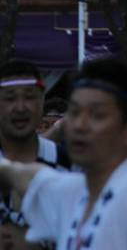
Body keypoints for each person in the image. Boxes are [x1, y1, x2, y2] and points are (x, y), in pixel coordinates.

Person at [0, 58, 127, 250]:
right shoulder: (76, 190)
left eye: (97, 115)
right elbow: (27, 176)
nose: (79, 125)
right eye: (74, 112)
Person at [0, 61, 70, 249]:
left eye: (30, 97)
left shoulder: (68, 166)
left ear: (42, 101)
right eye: (9, 98)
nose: (20, 107)